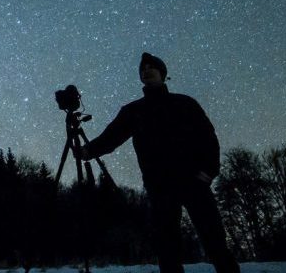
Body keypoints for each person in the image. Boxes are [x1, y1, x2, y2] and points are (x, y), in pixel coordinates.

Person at [77, 52, 239, 273]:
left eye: (151, 67)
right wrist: (87, 151)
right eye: (143, 69)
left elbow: (208, 138)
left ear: (163, 73)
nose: (147, 70)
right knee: (167, 248)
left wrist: (208, 171)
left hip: (194, 181)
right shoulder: (133, 111)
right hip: (159, 187)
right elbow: (111, 137)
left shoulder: (185, 103)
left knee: (215, 241)